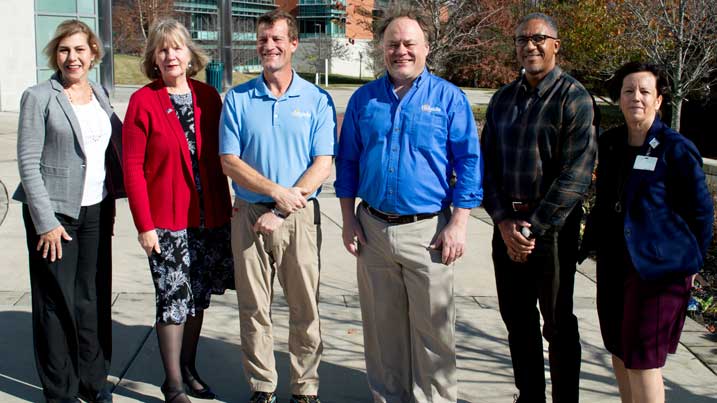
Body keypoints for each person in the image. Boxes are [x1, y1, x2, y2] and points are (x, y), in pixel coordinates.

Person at [334, 6, 482, 403]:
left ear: (426, 48)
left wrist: (459, 224)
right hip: (373, 230)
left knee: (434, 335)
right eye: (392, 44)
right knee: (383, 333)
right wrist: (348, 221)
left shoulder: (449, 99)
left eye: (409, 44)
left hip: (428, 233)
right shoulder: (364, 101)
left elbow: (469, 163)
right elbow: (347, 162)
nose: (401, 51)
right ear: (382, 50)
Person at [480, 12, 597, 403]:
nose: (529, 45)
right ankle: (529, 395)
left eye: (538, 38)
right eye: (521, 40)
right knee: (518, 320)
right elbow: (486, 167)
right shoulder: (502, 100)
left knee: (558, 323)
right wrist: (502, 222)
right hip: (507, 228)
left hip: (552, 232)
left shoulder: (574, 98)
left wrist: (531, 227)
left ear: (555, 45)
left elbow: (576, 176)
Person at [219, 10, 335, 403]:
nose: (269, 46)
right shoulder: (238, 98)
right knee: (254, 308)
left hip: (299, 217)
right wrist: (274, 193)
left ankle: (305, 388)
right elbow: (229, 161)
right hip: (249, 215)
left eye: (277, 39)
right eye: (263, 39)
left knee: (305, 307)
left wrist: (285, 205)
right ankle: (263, 386)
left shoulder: (316, 99)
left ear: (293, 44)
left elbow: (323, 162)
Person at [122, 18, 233, 403]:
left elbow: (221, 158)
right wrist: (144, 225)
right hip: (166, 222)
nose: (171, 55)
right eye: (163, 49)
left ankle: (189, 367)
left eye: (177, 48)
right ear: (154, 57)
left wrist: (228, 210)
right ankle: (172, 383)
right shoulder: (143, 101)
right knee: (172, 299)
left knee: (196, 297)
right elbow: (132, 169)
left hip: (207, 218)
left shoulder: (207, 96)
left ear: (190, 55)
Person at [588, 62, 713, 403]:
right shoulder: (611, 144)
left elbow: (701, 212)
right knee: (617, 346)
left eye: (645, 91)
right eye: (629, 91)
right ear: (620, 99)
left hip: (659, 271)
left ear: (659, 101)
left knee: (643, 358)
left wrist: (691, 260)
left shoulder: (675, 148)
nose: (636, 98)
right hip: (615, 263)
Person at [13, 19, 122, 403]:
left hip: (95, 211)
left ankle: (94, 383)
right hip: (54, 216)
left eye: (79, 49)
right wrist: (44, 222)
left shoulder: (100, 94)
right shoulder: (39, 96)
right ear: (54, 55)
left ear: (93, 53)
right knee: (55, 303)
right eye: (64, 50)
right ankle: (60, 391)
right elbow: (28, 162)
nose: (71, 57)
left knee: (90, 298)